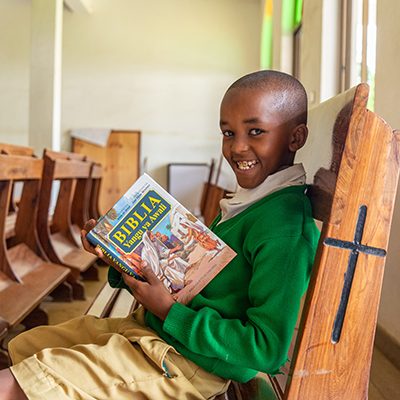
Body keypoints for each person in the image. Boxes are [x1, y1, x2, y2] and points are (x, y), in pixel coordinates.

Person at [0, 70, 320, 400]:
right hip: (154, 333)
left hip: (186, 365)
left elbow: (266, 350)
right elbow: (190, 283)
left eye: (255, 131)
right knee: (27, 344)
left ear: (295, 138)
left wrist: (169, 311)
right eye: (228, 133)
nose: (238, 147)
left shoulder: (284, 225)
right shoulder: (250, 203)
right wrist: (117, 253)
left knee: (15, 384)